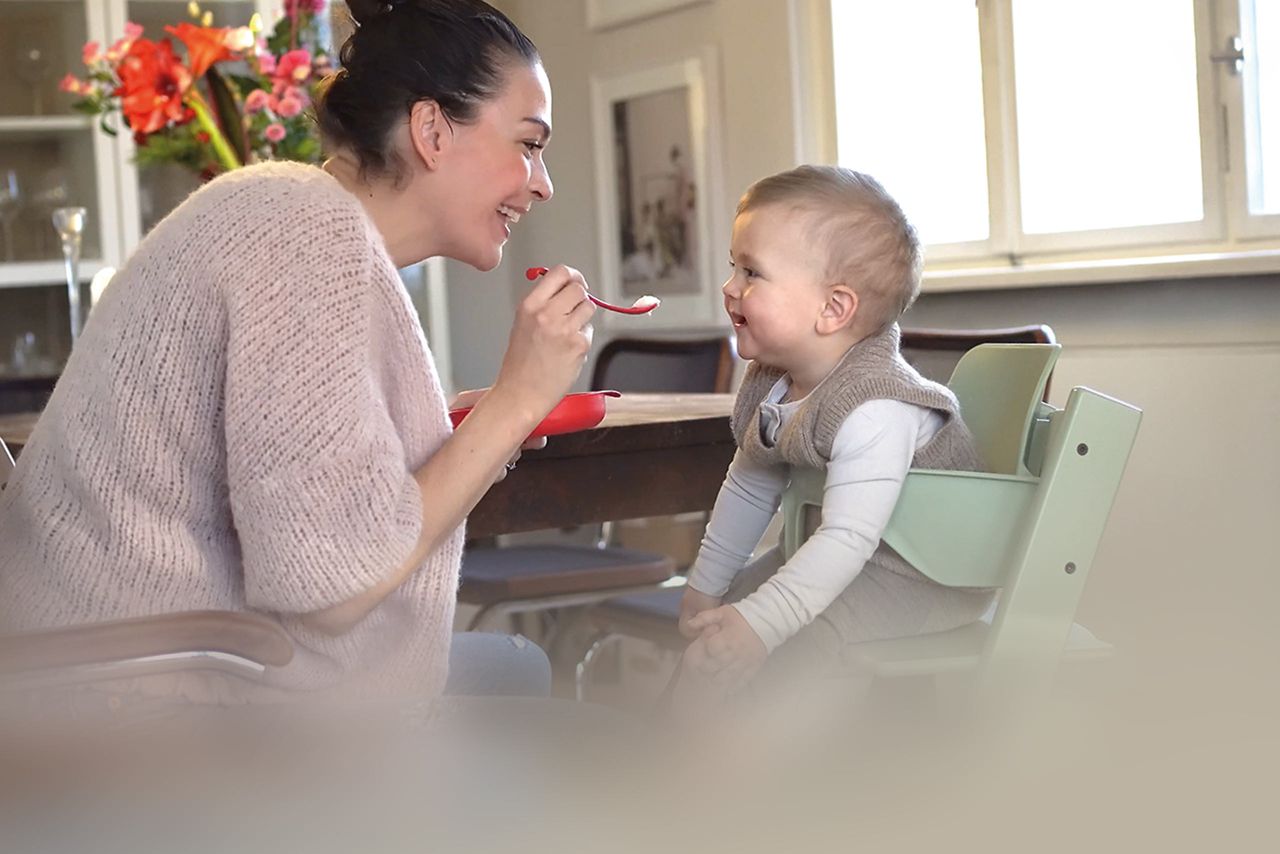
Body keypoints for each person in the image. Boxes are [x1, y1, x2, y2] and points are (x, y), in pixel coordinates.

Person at [0, 0, 592, 702]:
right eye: (529, 144)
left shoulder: (296, 218)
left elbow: (301, 495)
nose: (543, 182)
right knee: (566, 713)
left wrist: (464, 432)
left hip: (139, 667)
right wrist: (517, 404)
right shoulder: (301, 235)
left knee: (518, 670)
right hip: (149, 709)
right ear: (431, 130)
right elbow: (330, 584)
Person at [673, 165, 995, 702]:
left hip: (926, 575)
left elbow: (849, 537)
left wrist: (761, 625)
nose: (730, 288)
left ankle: (747, 765)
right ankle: (671, 758)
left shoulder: (876, 405)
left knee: (796, 639)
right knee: (725, 618)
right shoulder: (773, 384)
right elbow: (750, 486)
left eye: (751, 272)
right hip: (851, 555)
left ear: (833, 308)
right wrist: (708, 587)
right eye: (734, 267)